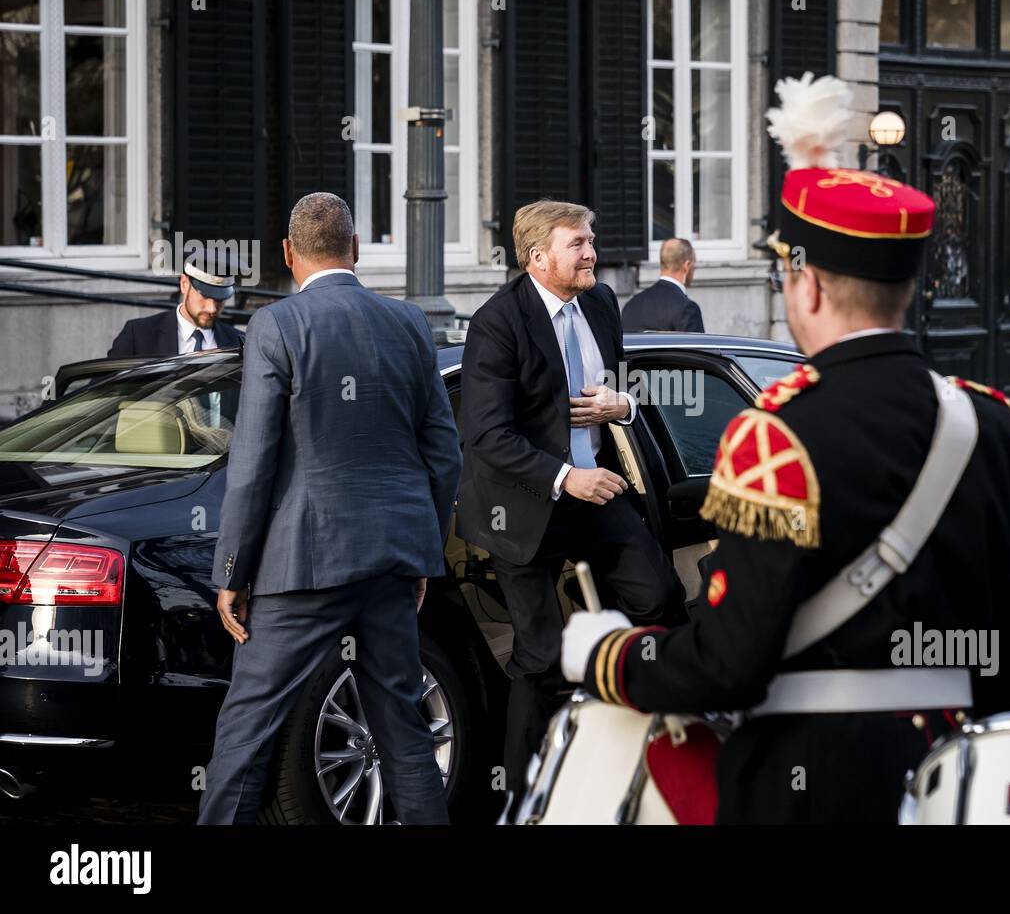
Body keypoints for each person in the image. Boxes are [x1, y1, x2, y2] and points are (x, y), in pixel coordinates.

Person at [558, 74, 1010, 824]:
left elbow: (728, 663)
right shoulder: (997, 429)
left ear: (811, 288)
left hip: (815, 785)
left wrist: (608, 655)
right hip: (966, 787)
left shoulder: (776, 437)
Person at [198, 193, 461, 824]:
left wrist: (231, 570)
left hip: (300, 566)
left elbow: (255, 460)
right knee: (404, 729)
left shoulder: (277, 325)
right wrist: (420, 551)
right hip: (393, 562)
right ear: (358, 250)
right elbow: (444, 454)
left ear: (288, 254)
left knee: (247, 731)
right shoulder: (409, 324)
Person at [456, 199, 685, 799]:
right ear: (538, 257)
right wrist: (564, 477)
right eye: (577, 244)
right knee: (539, 657)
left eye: (591, 239)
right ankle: (527, 798)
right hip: (523, 506)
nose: (592, 252)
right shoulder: (497, 322)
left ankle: (640, 740)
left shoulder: (602, 302)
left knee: (661, 597)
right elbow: (485, 435)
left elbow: (628, 383)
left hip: (597, 492)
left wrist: (622, 406)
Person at [107, 248, 242, 356]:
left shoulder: (240, 342)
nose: (212, 308)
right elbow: (105, 387)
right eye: (205, 296)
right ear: (184, 284)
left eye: (219, 299)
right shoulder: (139, 335)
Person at [621, 237, 705, 332]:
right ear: (687, 266)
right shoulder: (687, 309)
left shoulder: (631, 305)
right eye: (694, 265)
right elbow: (695, 346)